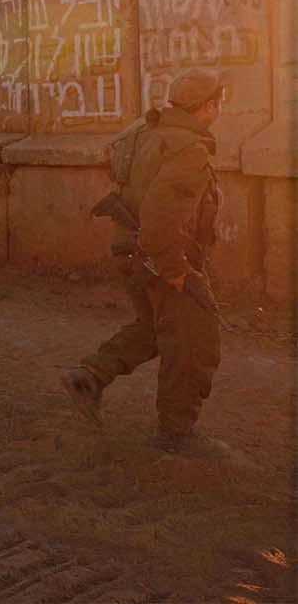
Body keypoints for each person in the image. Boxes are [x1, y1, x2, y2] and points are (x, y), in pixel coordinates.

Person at [61, 68, 227, 457]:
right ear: (208, 106)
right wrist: (175, 269)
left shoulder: (145, 131)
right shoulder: (188, 149)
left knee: (153, 328)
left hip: (130, 249)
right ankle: (176, 433)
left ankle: (90, 378)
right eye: (220, 102)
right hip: (159, 255)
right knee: (193, 339)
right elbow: (160, 217)